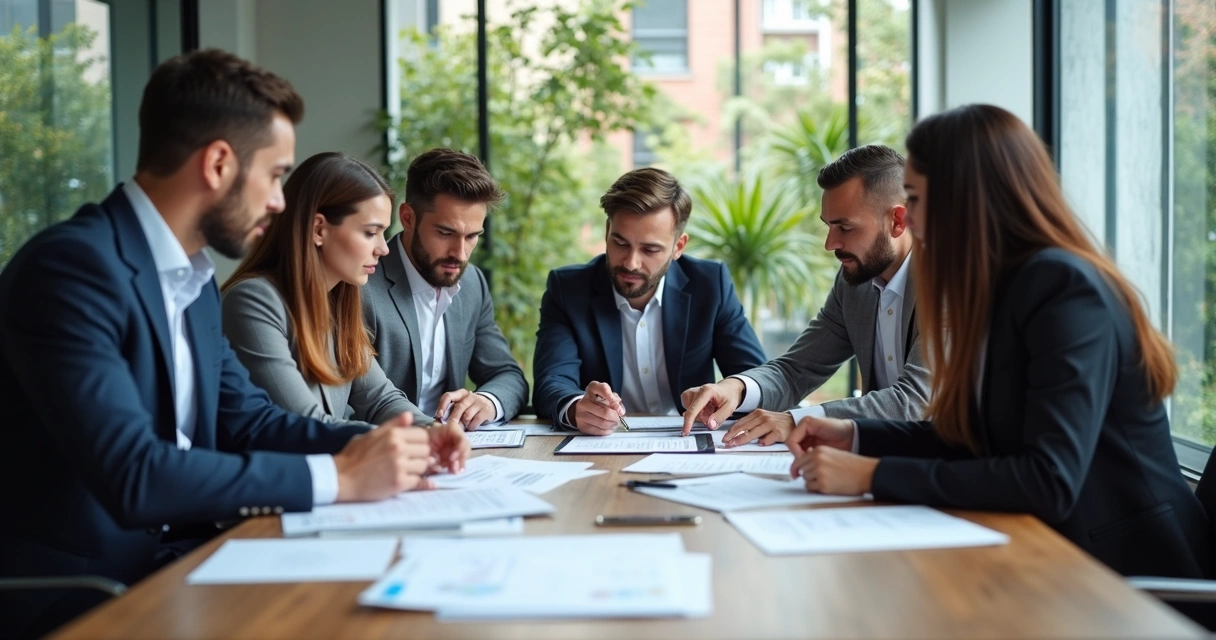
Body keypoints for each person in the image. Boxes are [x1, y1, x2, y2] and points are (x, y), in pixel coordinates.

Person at [0, 50, 465, 638]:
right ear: (219, 163)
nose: (279, 202)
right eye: (274, 175)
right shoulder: (71, 270)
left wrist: (396, 444)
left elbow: (251, 422)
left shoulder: (191, 283)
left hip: (186, 562)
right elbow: (135, 475)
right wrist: (341, 479)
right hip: (85, 596)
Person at [785, 104, 1211, 579]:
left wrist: (872, 474)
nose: (909, 222)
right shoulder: (1001, 284)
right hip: (1051, 553)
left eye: (918, 201)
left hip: (1131, 574)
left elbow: (1047, 478)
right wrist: (858, 435)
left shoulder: (1063, 288)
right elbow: (985, 438)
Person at [680, 145, 932, 442]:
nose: (830, 243)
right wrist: (736, 388)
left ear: (898, 221)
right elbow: (796, 370)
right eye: (828, 226)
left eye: (845, 228)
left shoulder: (952, 284)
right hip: (880, 460)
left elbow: (915, 402)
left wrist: (800, 421)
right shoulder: (855, 283)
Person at [533, 167, 766, 434]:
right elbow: (552, 381)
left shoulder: (711, 285)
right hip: (603, 447)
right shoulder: (568, 289)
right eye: (620, 243)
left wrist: (730, 390)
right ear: (608, 230)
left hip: (689, 441)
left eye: (650, 249)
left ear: (678, 246)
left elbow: (756, 376)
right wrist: (575, 407)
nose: (631, 263)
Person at [222, 152, 435, 428]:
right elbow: (306, 425)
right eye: (371, 233)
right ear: (319, 229)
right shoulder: (252, 302)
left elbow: (382, 400)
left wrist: (433, 431)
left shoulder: (338, 303)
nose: (383, 249)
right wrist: (405, 442)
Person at [362, 148, 527, 430]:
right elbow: (369, 401)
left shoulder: (472, 283)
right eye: (446, 233)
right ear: (408, 218)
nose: (460, 254)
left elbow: (508, 375)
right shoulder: (362, 284)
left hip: (457, 455)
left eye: (472, 236)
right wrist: (437, 433)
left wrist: (487, 401)